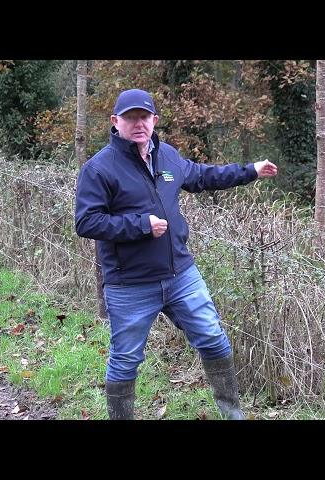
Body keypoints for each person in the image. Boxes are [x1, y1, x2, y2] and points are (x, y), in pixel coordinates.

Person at [75, 89, 278, 420]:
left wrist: (250, 170)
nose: (138, 124)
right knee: (125, 359)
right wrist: (141, 225)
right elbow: (87, 221)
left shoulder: (167, 155)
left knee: (214, 340)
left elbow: (202, 176)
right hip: (130, 283)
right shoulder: (99, 169)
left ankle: (232, 414)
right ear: (116, 122)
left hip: (181, 275)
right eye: (130, 118)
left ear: (154, 120)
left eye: (145, 117)